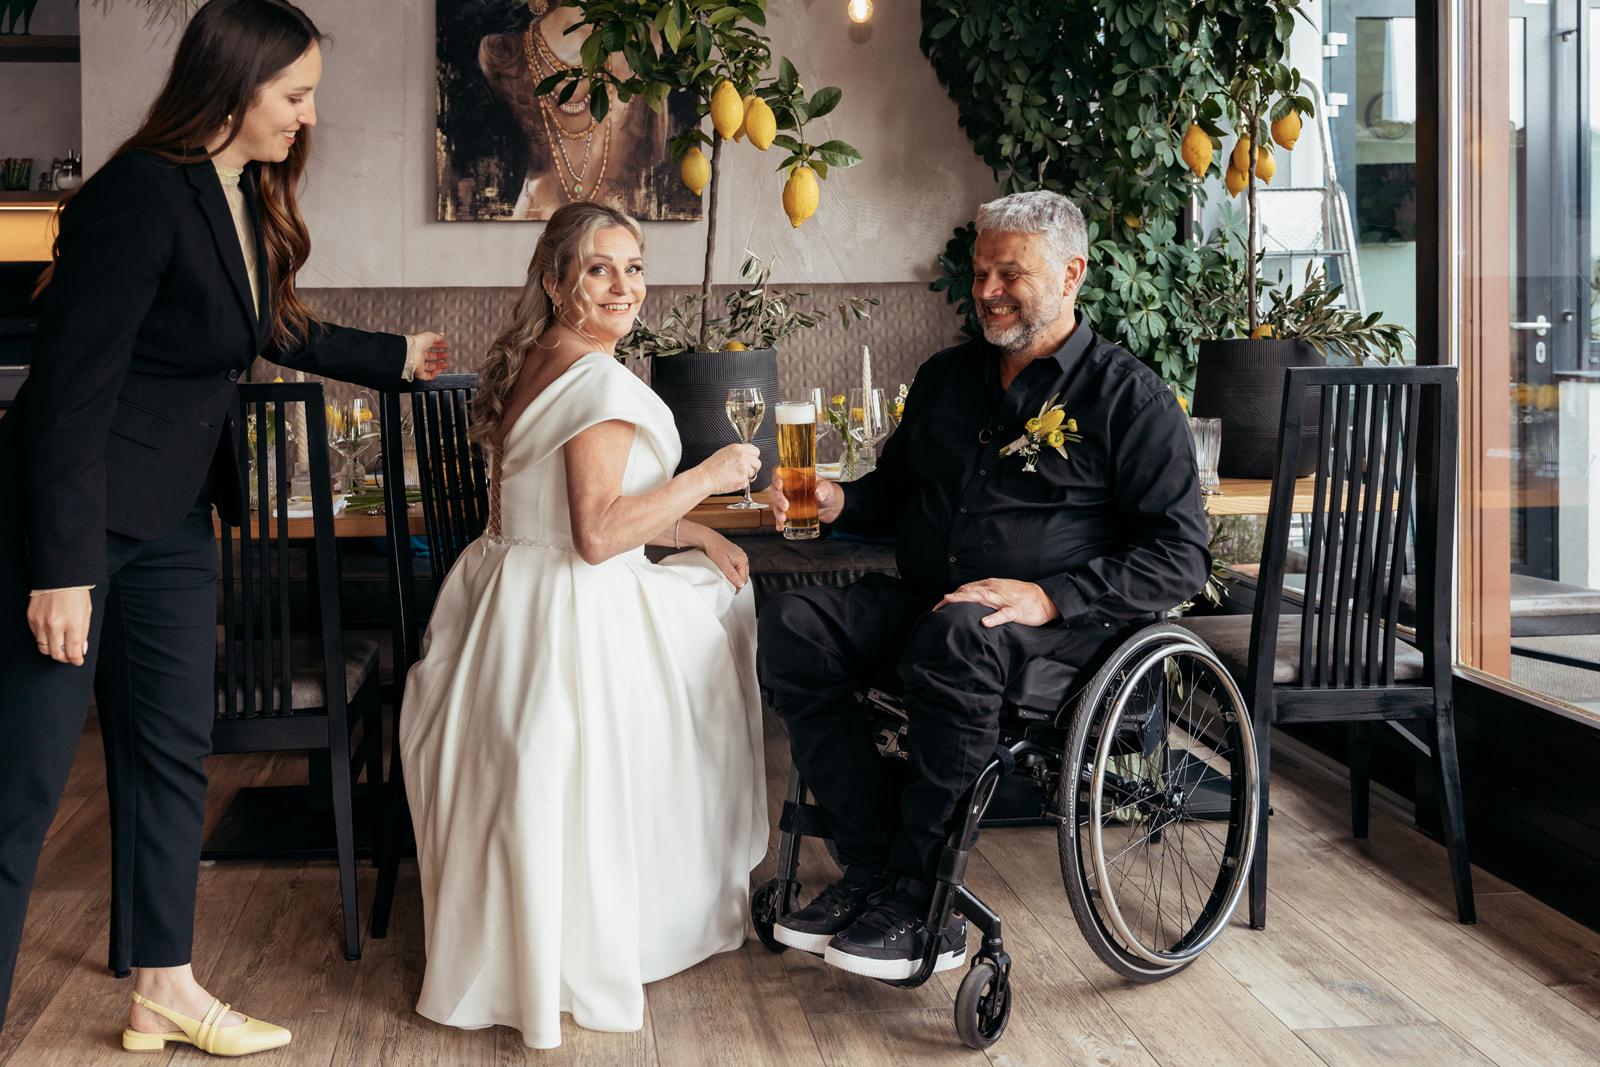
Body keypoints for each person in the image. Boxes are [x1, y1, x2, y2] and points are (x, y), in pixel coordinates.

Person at [0, 0, 453, 1056]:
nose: (305, 117)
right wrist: (61, 569)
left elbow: (263, 321)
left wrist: (394, 356)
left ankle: (164, 984)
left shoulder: (238, 192)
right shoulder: (135, 196)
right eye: (293, 96)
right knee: (23, 779)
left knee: (170, 753)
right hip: (73, 528)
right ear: (232, 84)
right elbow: (65, 393)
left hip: (169, 523)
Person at [757, 190, 1211, 981]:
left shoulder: (1130, 399)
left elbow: (1180, 556)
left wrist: (1049, 596)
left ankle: (920, 903)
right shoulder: (945, 378)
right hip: (931, 605)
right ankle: (869, 864)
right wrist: (837, 501)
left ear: (1072, 274)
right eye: (980, 274)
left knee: (959, 636)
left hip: (1058, 639)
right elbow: (892, 495)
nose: (989, 291)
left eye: (1011, 273)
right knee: (793, 622)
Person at [399, 201, 768, 1049]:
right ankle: (671, 898)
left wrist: (691, 530)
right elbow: (599, 536)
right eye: (600, 268)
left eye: (634, 267)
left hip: (501, 604)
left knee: (709, 582)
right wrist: (709, 477)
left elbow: (568, 516)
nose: (623, 286)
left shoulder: (541, 357)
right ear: (557, 279)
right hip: (570, 605)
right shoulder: (600, 379)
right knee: (728, 611)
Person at [477, 0, 671, 219]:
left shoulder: (641, 45)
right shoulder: (501, 56)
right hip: (535, 227)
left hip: (614, 229)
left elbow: (654, 157)